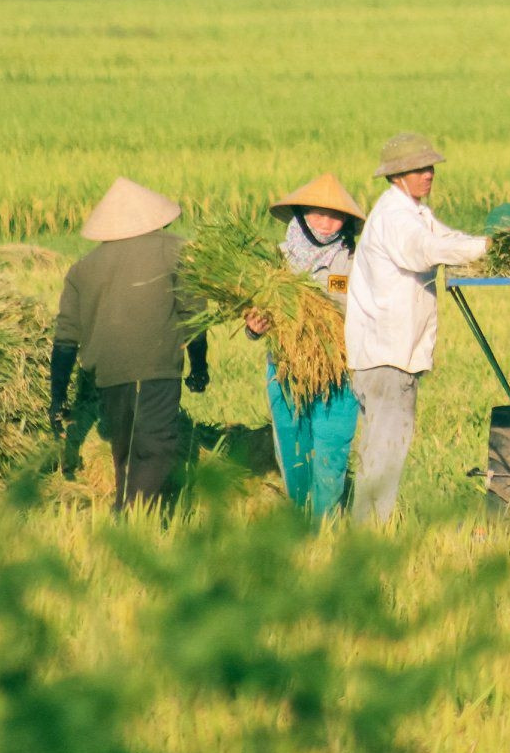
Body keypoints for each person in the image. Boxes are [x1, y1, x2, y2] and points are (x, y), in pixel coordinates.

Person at [344, 133, 488, 523]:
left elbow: (444, 238)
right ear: (397, 176)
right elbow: (424, 250)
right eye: (418, 169)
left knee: (384, 452)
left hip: (394, 355)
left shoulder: (414, 212)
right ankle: (369, 535)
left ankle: (368, 530)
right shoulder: (394, 216)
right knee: (384, 455)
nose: (428, 175)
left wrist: (486, 242)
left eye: (430, 168)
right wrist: (485, 249)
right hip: (386, 357)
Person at [50, 177, 208, 512]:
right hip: (157, 367)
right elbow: (194, 315)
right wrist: (200, 367)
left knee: (123, 451)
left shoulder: (83, 268)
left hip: (107, 374)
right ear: (156, 217)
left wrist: (58, 395)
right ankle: (134, 520)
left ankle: (130, 516)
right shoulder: (178, 250)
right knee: (156, 447)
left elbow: (65, 336)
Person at [243, 173, 365, 522]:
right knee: (293, 448)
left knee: (331, 449)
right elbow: (255, 318)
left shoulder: (354, 262)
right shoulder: (277, 262)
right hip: (286, 370)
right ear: (300, 214)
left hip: (337, 374)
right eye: (317, 213)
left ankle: (324, 527)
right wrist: (254, 327)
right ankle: (300, 519)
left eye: (335, 215)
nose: (327, 223)